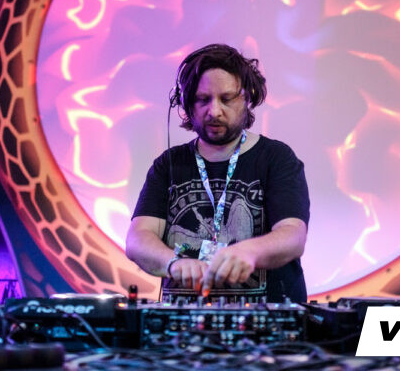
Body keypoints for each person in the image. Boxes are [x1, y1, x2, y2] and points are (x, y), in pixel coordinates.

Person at [125, 44, 310, 303]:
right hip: (185, 324)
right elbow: (138, 239)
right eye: (203, 99)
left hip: (264, 321)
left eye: (226, 98)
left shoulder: (277, 158)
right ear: (186, 103)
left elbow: (293, 235)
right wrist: (173, 262)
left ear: (248, 98)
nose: (214, 111)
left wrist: (250, 252)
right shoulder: (168, 164)